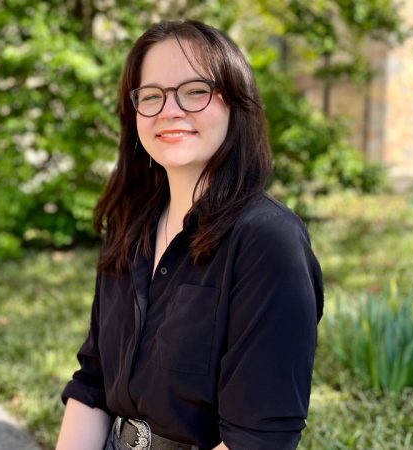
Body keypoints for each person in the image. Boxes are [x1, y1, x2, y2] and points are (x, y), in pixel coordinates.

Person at [56, 19, 323, 450]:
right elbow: (94, 384)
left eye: (195, 91)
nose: (169, 110)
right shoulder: (130, 225)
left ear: (236, 104)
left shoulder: (268, 243)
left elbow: (256, 440)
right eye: (151, 95)